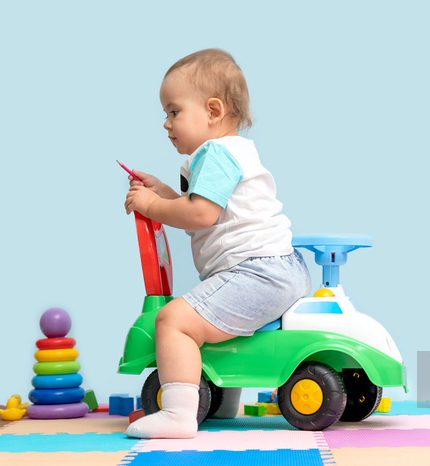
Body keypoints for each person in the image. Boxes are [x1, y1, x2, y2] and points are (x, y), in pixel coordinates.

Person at [123, 48, 311, 439]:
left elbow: (200, 216)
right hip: (276, 268)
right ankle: (222, 403)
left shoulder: (216, 154)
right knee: (207, 323)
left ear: (212, 111)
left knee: (173, 321)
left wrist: (152, 205)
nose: (166, 123)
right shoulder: (230, 153)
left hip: (258, 272)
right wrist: (161, 192)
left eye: (174, 112)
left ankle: (177, 414)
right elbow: (203, 210)